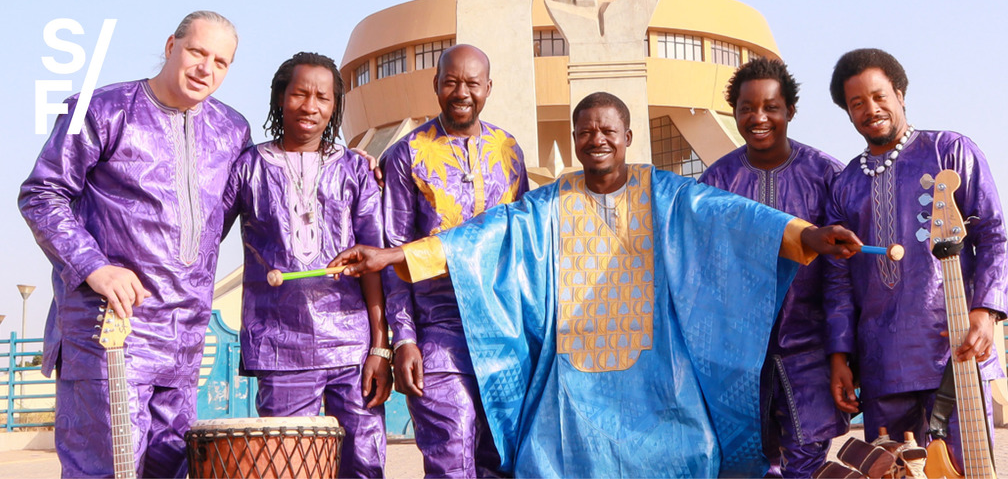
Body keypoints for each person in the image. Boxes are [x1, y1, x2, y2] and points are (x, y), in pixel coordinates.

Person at [332, 92, 863, 478]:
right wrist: (394, 254)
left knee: (693, 453)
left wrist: (807, 236)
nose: (597, 139)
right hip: (571, 381)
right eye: (586, 131)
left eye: (608, 130)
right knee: (547, 461)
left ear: (628, 137)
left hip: (660, 377)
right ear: (574, 140)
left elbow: (732, 217)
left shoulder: (664, 192)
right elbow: (484, 237)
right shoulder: (550, 203)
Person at [18, 11, 250, 478]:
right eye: (197, 52)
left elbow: (239, 205)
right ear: (171, 46)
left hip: (184, 337)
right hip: (107, 333)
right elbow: (41, 194)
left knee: (171, 468)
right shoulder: (100, 110)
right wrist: (95, 266)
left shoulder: (232, 131)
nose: (206, 68)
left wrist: (351, 164)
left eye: (220, 62)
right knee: (106, 469)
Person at [824, 48, 1008, 468]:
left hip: (955, 351)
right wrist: (839, 356)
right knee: (893, 472)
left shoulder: (950, 151)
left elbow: (992, 234)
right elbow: (837, 280)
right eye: (857, 103)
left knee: (970, 471)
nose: (871, 109)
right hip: (881, 363)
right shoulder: (844, 185)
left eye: (879, 96)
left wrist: (985, 311)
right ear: (848, 113)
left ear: (900, 94)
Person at [221, 52, 390, 478]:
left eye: (322, 97)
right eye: (299, 94)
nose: (310, 106)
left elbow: (373, 261)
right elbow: (204, 237)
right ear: (280, 97)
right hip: (281, 348)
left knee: (364, 465)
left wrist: (379, 346)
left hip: (353, 349)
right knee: (287, 468)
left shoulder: (355, 169)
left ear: (335, 106)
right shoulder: (248, 168)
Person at [380, 43, 528, 478]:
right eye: (451, 82)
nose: (462, 93)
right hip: (437, 336)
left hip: (502, 335)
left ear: (488, 88)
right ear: (436, 85)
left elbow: (520, 245)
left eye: (472, 84)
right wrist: (403, 339)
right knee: (451, 457)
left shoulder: (508, 150)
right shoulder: (407, 154)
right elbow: (392, 253)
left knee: (501, 460)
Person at [698, 57, 848, 478]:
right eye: (747, 108)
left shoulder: (827, 175)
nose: (758, 117)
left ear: (790, 111)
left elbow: (842, 276)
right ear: (734, 112)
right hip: (738, 356)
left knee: (807, 461)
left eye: (771, 107)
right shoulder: (716, 184)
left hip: (810, 349)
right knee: (748, 464)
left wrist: (842, 351)